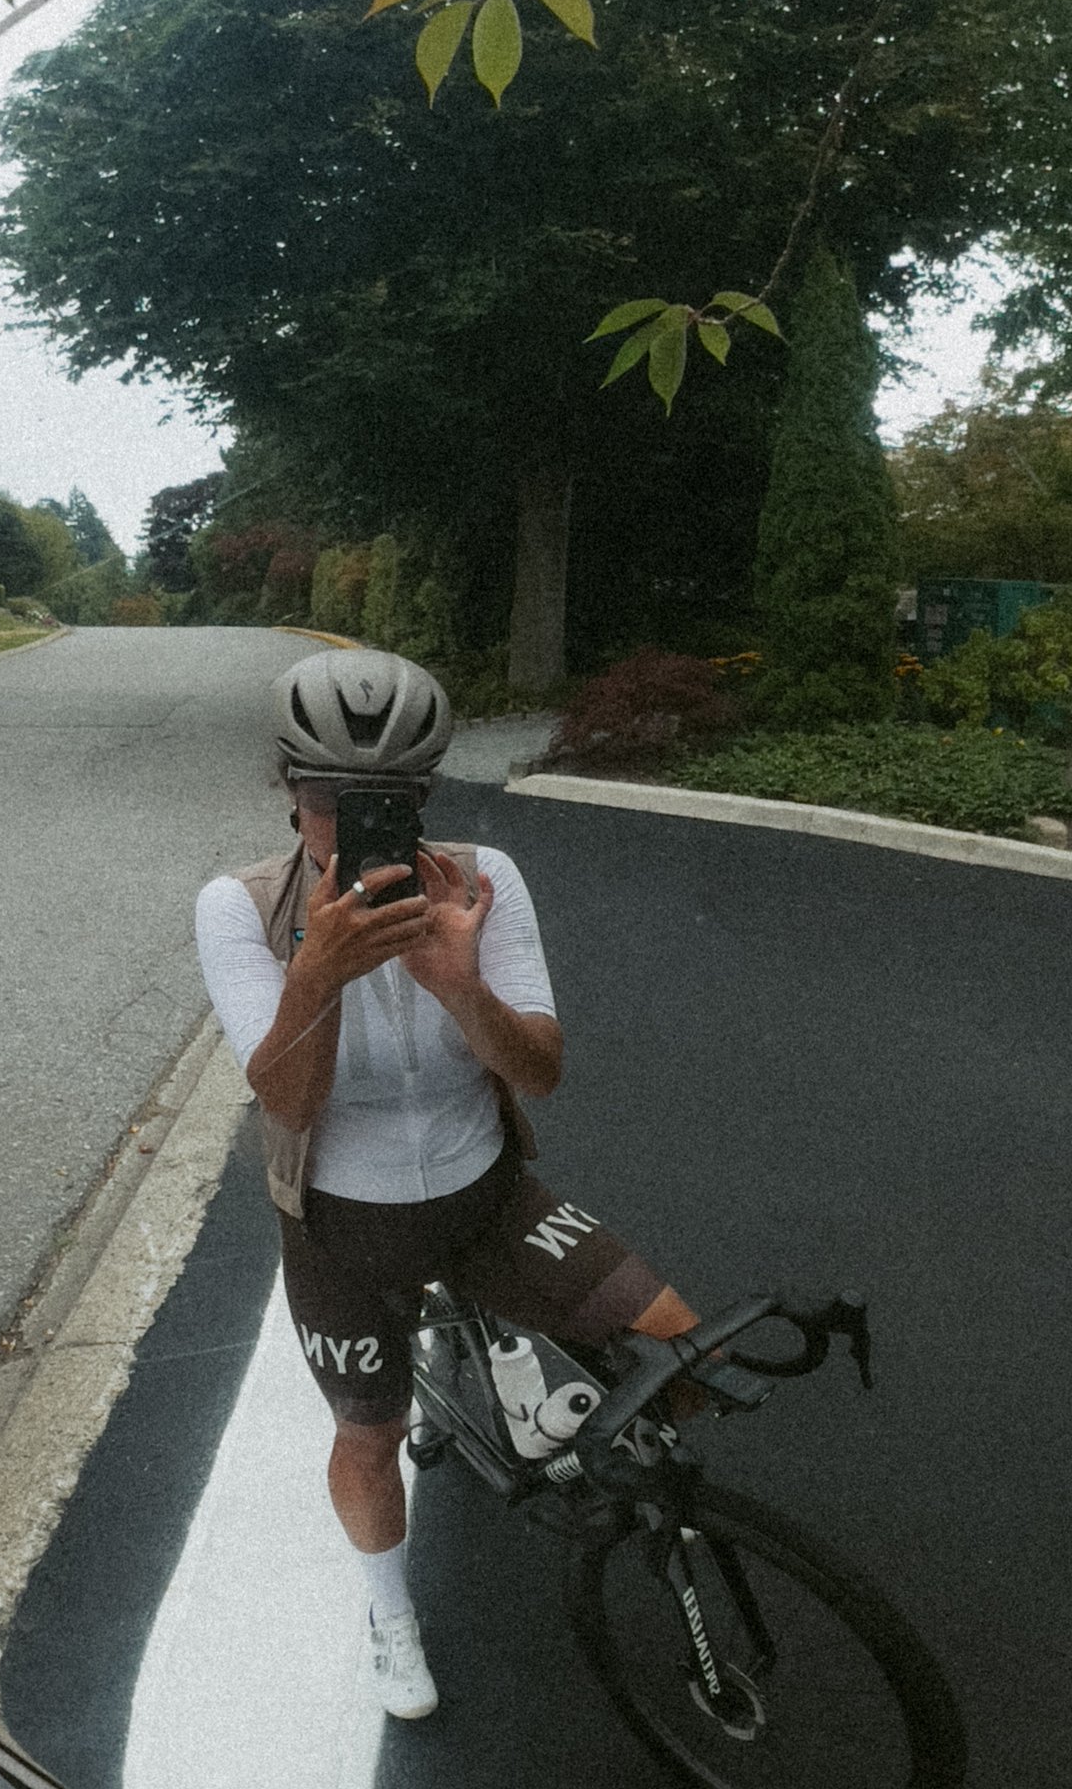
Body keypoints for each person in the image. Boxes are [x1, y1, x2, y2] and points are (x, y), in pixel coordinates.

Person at [193, 648, 698, 1719]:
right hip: (340, 1227)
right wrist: (317, 974)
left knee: (682, 1349)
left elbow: (540, 1073)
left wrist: (462, 988)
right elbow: (286, 1102)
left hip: (485, 1196)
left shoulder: (483, 880)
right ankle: (389, 1613)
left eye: (387, 801)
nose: (350, 824)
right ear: (287, 786)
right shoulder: (237, 908)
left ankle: (524, 1368)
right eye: (328, 799)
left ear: (423, 796)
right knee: (368, 1436)